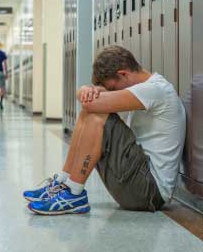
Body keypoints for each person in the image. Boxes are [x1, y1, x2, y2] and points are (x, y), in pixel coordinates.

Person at [23, 46, 186, 215]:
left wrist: (84, 93)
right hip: (139, 184)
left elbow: (90, 103)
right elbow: (89, 102)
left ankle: (73, 193)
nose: (113, 93)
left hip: (150, 192)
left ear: (123, 74)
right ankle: (64, 183)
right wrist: (87, 90)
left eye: (113, 89)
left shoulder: (155, 90)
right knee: (90, 112)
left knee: (96, 114)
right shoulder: (142, 88)